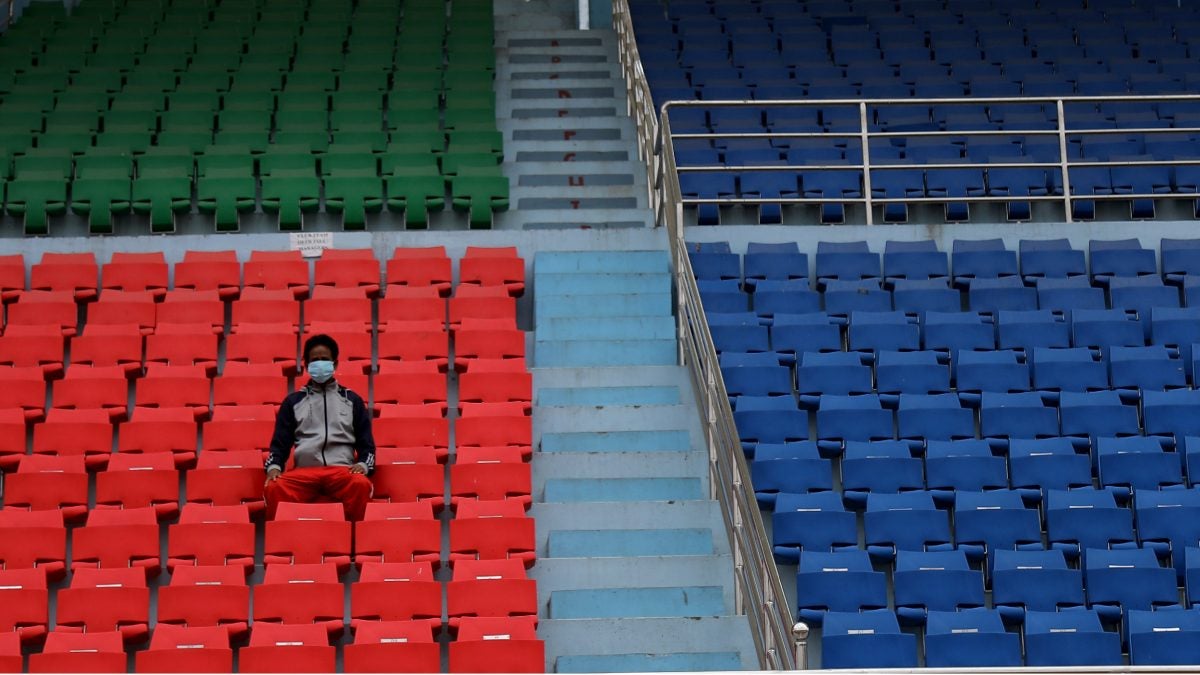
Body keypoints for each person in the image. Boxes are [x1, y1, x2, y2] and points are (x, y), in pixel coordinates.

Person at [264, 334, 375, 521]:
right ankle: (287, 544)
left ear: (335, 364)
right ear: (307, 365)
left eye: (325, 360)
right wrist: (274, 467)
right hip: (304, 473)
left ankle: (354, 542)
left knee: (360, 485)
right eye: (315, 360)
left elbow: (367, 445)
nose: (320, 364)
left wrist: (363, 464)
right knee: (274, 487)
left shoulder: (352, 400)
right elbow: (279, 444)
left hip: (341, 471)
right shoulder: (293, 402)